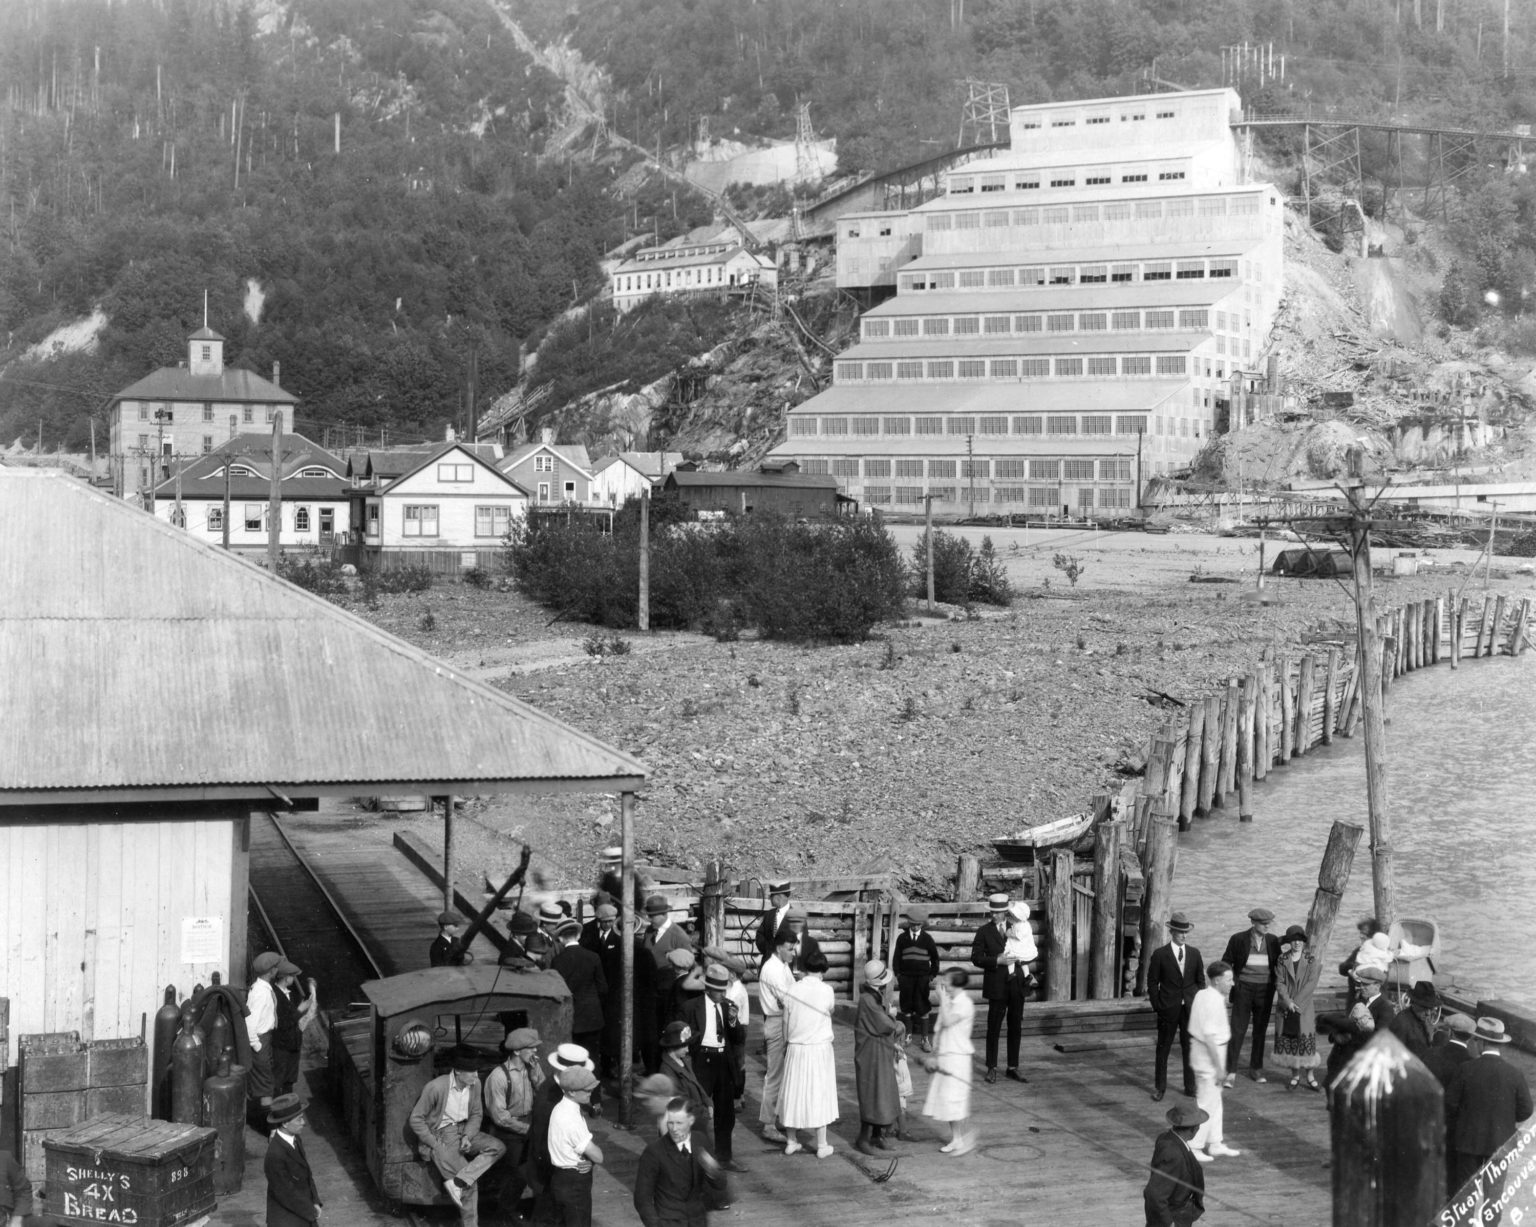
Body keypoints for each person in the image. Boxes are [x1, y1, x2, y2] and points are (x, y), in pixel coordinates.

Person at [1443, 1017, 1533, 1209]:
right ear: (1500, 1044)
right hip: (1500, 1144)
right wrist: (1506, 1118)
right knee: (1494, 1198)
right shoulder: (1515, 1073)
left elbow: (1450, 1104)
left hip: (1469, 1142)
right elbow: (1527, 1110)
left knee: (1465, 1199)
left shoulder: (1466, 1069)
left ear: (1480, 1042)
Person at [408, 1048, 507, 1217]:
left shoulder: (475, 1085)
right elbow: (416, 1119)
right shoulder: (436, 1087)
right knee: (470, 1186)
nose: (476, 1075)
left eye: (476, 1071)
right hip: (441, 1134)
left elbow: (476, 1114)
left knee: (498, 1147)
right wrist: (434, 1144)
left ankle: (459, 1181)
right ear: (458, 1072)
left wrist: (468, 1136)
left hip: (463, 1130)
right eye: (471, 1072)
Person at [681, 965, 747, 1170]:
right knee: (697, 1110)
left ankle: (724, 1157)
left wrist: (734, 1021)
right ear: (707, 989)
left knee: (726, 1113)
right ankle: (693, 1156)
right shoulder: (692, 1007)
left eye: (724, 990)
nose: (722, 994)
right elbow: (683, 1036)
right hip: (702, 1061)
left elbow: (739, 1039)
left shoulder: (728, 1007)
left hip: (723, 1062)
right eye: (719, 991)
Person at [633, 1097, 729, 1227]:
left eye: (679, 1123)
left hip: (697, 1221)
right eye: (670, 1123)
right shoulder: (654, 1152)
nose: (674, 1129)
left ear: (691, 1121)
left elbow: (720, 1185)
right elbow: (642, 1198)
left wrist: (712, 1170)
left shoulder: (700, 1141)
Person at [779, 947, 839, 1158]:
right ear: (823, 970)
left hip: (796, 1047)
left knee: (794, 1092)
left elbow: (785, 1020)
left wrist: (787, 1043)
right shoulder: (827, 990)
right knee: (818, 1092)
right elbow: (830, 1010)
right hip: (818, 1048)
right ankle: (822, 1145)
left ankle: (791, 1140)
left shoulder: (793, 989)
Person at [971, 893, 1034, 1084]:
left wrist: (1024, 960)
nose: (995, 916)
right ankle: (992, 1067)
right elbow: (975, 957)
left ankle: (1012, 1067)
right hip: (996, 986)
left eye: (999, 912)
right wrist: (996, 960)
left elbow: (1029, 949)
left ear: (1006, 912)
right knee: (994, 1027)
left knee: (1015, 1026)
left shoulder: (1018, 926)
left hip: (1016, 986)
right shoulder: (983, 931)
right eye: (993, 912)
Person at [483, 1027, 544, 1221]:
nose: (535, 1051)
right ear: (517, 1051)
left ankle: (512, 1209)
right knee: (514, 1174)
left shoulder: (533, 1066)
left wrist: (536, 1077)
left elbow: (543, 1095)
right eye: (531, 1048)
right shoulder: (498, 1076)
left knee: (530, 1171)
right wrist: (528, 1129)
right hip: (509, 1132)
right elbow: (500, 1117)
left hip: (529, 1125)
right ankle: (502, 1215)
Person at [1147, 911, 1204, 1103]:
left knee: (1189, 1048)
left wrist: (1196, 1002)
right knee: (1163, 1049)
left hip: (1189, 1009)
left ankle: (1190, 1087)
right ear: (1172, 932)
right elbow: (1152, 983)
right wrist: (1158, 1006)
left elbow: (1200, 982)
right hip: (1168, 1009)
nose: (1184, 935)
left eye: (1186, 932)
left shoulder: (1195, 954)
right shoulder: (1160, 955)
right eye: (1180, 932)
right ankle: (1160, 1087)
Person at [1219, 907, 1280, 1084]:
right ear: (1253, 923)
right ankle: (1230, 1071)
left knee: (1260, 1031)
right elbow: (1226, 962)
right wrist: (1231, 985)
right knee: (1237, 1030)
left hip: (1266, 990)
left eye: (1269, 923)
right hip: (1243, 989)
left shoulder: (1273, 941)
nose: (1267, 926)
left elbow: (1279, 965)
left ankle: (1256, 1069)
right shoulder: (1238, 939)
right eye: (1263, 924)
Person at [1188, 961, 1240, 1162]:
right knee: (1206, 1101)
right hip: (1208, 1056)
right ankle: (1194, 1145)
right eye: (1228, 980)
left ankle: (1215, 1142)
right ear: (1217, 981)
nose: (1232, 984)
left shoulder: (1204, 994)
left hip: (1210, 1052)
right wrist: (1219, 1068)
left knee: (1215, 1100)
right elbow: (1209, 1036)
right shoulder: (1212, 1000)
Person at [923, 968, 976, 1156]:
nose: (943, 983)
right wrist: (934, 1055)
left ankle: (963, 1138)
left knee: (955, 1099)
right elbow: (939, 1030)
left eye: (947, 980)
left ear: (956, 983)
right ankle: (957, 1138)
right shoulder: (950, 1002)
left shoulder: (964, 1003)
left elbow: (947, 1021)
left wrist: (942, 999)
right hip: (946, 1055)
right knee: (946, 1100)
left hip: (958, 1057)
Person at [854, 959, 901, 1155]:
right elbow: (884, 1025)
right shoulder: (868, 1000)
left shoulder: (874, 995)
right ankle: (863, 1138)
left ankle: (877, 1134)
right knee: (871, 1094)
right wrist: (894, 1020)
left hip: (879, 1052)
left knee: (882, 1092)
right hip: (870, 1054)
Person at [547, 1067, 604, 1227]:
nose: (590, 1093)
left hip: (561, 1177)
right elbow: (599, 1156)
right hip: (575, 1182)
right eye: (586, 1090)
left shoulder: (560, 1108)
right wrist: (591, 1159)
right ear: (571, 1092)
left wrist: (589, 1160)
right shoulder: (571, 1119)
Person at [757, 927, 798, 1144]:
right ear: (779, 947)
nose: (793, 953)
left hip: (785, 1021)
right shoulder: (772, 969)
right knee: (774, 1075)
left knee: (784, 1074)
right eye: (790, 949)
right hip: (776, 1022)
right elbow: (788, 999)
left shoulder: (783, 965)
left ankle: (778, 1116)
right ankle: (768, 1124)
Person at [1272, 925, 1323, 1092]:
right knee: (1291, 1041)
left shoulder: (1311, 960)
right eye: (1294, 940)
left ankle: (1310, 1076)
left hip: (1304, 1006)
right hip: (1286, 1007)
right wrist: (1288, 1002)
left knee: (1306, 1040)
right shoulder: (1282, 959)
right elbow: (1279, 982)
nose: (1297, 943)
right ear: (1289, 942)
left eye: (1300, 940)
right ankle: (1295, 1075)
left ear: (1303, 942)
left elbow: (1311, 984)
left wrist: (1296, 1003)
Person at [551, 918, 608, 1059]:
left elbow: (556, 991)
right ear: (578, 936)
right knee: (592, 1056)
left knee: (571, 1057)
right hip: (592, 1016)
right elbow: (603, 988)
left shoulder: (557, 961)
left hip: (569, 1017)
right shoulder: (594, 957)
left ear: (560, 938)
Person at [579, 902, 625, 1079]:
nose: (607, 925)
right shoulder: (588, 934)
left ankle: (612, 1064)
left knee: (612, 1029)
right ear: (598, 921)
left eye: (610, 921)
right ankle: (602, 1064)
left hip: (612, 992)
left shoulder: (619, 938)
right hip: (595, 990)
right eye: (604, 921)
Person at [1143, 1103, 1208, 1226]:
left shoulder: (1167, 1138)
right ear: (1194, 1129)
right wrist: (1168, 1223)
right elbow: (1154, 1194)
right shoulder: (1174, 1154)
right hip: (1172, 1218)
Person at [263, 1094, 322, 1227]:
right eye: (299, 1119)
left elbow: (307, 1174)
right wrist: (310, 1212)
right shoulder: (275, 1154)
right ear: (285, 1123)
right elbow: (285, 1192)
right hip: (287, 1219)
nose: (303, 1122)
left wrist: (315, 1201)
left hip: (302, 1212)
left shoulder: (295, 1140)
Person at [894, 906, 940, 1054]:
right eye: (912, 925)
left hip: (922, 979)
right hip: (906, 978)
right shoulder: (902, 938)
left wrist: (930, 976)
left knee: (922, 1007)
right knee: (906, 1006)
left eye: (918, 925)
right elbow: (896, 958)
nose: (915, 927)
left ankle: (925, 1038)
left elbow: (935, 959)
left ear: (922, 925)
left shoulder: (927, 939)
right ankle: (907, 1036)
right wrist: (899, 975)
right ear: (908, 923)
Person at [272, 963, 317, 1100]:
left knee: (289, 1080)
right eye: (292, 976)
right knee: (279, 1080)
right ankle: (279, 1113)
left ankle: (287, 1111)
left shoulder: (287, 993)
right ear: (286, 978)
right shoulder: (276, 996)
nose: (294, 979)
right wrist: (300, 1010)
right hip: (282, 1046)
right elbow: (283, 1022)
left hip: (293, 1044)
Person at [246, 950, 282, 1116]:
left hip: (265, 1039)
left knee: (266, 1082)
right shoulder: (261, 993)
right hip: (261, 1041)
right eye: (276, 967)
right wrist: (257, 1045)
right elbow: (250, 1023)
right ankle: (271, 1127)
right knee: (265, 1084)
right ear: (272, 970)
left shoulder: (262, 988)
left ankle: (270, 1124)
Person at [1388, 980, 1440, 1066]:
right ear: (1414, 1003)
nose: (1428, 1013)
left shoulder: (1425, 1020)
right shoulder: (1401, 1023)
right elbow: (1393, 1056)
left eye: (1431, 1008)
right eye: (1424, 1008)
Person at [754, 880, 794, 960]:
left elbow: (802, 943)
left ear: (777, 898)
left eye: (771, 897)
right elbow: (760, 936)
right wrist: (769, 951)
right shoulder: (769, 915)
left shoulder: (797, 916)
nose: (769, 899)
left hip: (787, 965)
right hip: (768, 961)